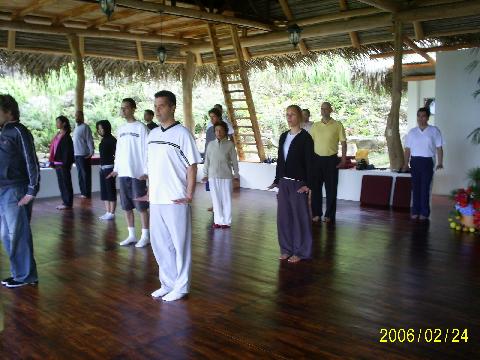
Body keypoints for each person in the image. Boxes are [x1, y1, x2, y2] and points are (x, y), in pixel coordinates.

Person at [144, 90, 201, 302]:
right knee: (160, 245)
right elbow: (151, 166)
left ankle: (182, 286)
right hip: (156, 199)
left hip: (176, 199)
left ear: (172, 107)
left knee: (180, 244)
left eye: (162, 106)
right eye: (156, 105)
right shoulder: (152, 135)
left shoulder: (182, 134)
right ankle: (167, 283)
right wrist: (150, 191)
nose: (157, 110)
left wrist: (189, 194)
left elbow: (192, 166)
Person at [0, 94, 40, 288]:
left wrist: (32, 190)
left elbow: (31, 160)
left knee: (17, 234)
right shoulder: (3, 131)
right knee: (6, 235)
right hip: (3, 189)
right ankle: (19, 273)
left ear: (8, 111)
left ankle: (26, 276)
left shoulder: (19, 130)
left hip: (16, 189)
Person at [268, 105, 314, 263]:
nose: (289, 118)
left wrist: (308, 184)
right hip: (284, 183)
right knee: (284, 218)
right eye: (287, 115)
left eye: (292, 115)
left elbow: (310, 163)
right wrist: (276, 180)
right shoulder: (283, 136)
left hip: (298, 184)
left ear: (299, 116)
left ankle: (301, 251)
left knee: (299, 218)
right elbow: (281, 160)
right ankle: (286, 249)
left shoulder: (305, 138)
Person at [107, 98, 150, 247]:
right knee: (126, 206)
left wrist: (146, 171)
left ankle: (145, 235)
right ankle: (131, 235)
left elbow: (147, 150)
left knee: (141, 206)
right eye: (121, 108)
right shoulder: (121, 129)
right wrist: (116, 169)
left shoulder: (141, 128)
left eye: (126, 108)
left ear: (133, 109)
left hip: (137, 173)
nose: (123, 110)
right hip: (123, 173)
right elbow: (118, 151)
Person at [402, 107, 444, 220]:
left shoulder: (434, 131)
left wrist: (440, 162)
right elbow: (407, 150)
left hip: (427, 162)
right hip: (415, 161)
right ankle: (415, 211)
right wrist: (405, 163)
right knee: (415, 187)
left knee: (425, 188)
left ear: (428, 117)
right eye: (419, 116)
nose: (421, 118)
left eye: (423, 116)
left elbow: (439, 148)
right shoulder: (412, 132)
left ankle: (424, 213)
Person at [309, 102, 347, 224]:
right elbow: (309, 144)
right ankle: (316, 214)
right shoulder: (315, 126)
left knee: (331, 189)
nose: (323, 110)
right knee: (315, 189)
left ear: (331, 110)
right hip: (316, 160)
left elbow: (343, 143)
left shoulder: (338, 125)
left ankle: (329, 215)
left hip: (331, 160)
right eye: (322, 108)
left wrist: (343, 159)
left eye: (326, 108)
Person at [202, 121, 239, 228]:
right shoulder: (210, 145)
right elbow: (207, 161)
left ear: (225, 131)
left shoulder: (230, 145)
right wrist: (205, 174)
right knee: (216, 199)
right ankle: (218, 221)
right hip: (212, 177)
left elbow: (234, 162)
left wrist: (236, 175)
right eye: (216, 130)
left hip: (226, 176)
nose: (218, 132)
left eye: (220, 130)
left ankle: (226, 222)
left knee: (226, 199)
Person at [50, 116, 74, 210]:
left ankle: (68, 203)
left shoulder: (67, 137)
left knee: (66, 183)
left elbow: (68, 152)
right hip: (57, 163)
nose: (56, 124)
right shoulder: (57, 135)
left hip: (63, 164)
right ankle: (65, 202)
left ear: (64, 123)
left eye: (58, 122)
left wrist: (65, 163)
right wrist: (52, 162)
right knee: (61, 183)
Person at [96, 120, 117, 221]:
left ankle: (112, 213)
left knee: (110, 191)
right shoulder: (103, 140)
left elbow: (117, 155)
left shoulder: (112, 140)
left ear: (106, 128)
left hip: (109, 168)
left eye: (101, 128)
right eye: (98, 129)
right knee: (104, 191)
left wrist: (116, 169)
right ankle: (107, 212)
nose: (100, 130)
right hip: (103, 168)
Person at [72, 110, 94, 199]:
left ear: (82, 116)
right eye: (75, 116)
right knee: (80, 175)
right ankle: (83, 192)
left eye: (78, 116)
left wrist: (91, 152)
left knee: (86, 175)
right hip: (77, 155)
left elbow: (89, 140)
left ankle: (87, 193)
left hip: (84, 155)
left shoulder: (85, 127)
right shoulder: (76, 127)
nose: (76, 117)